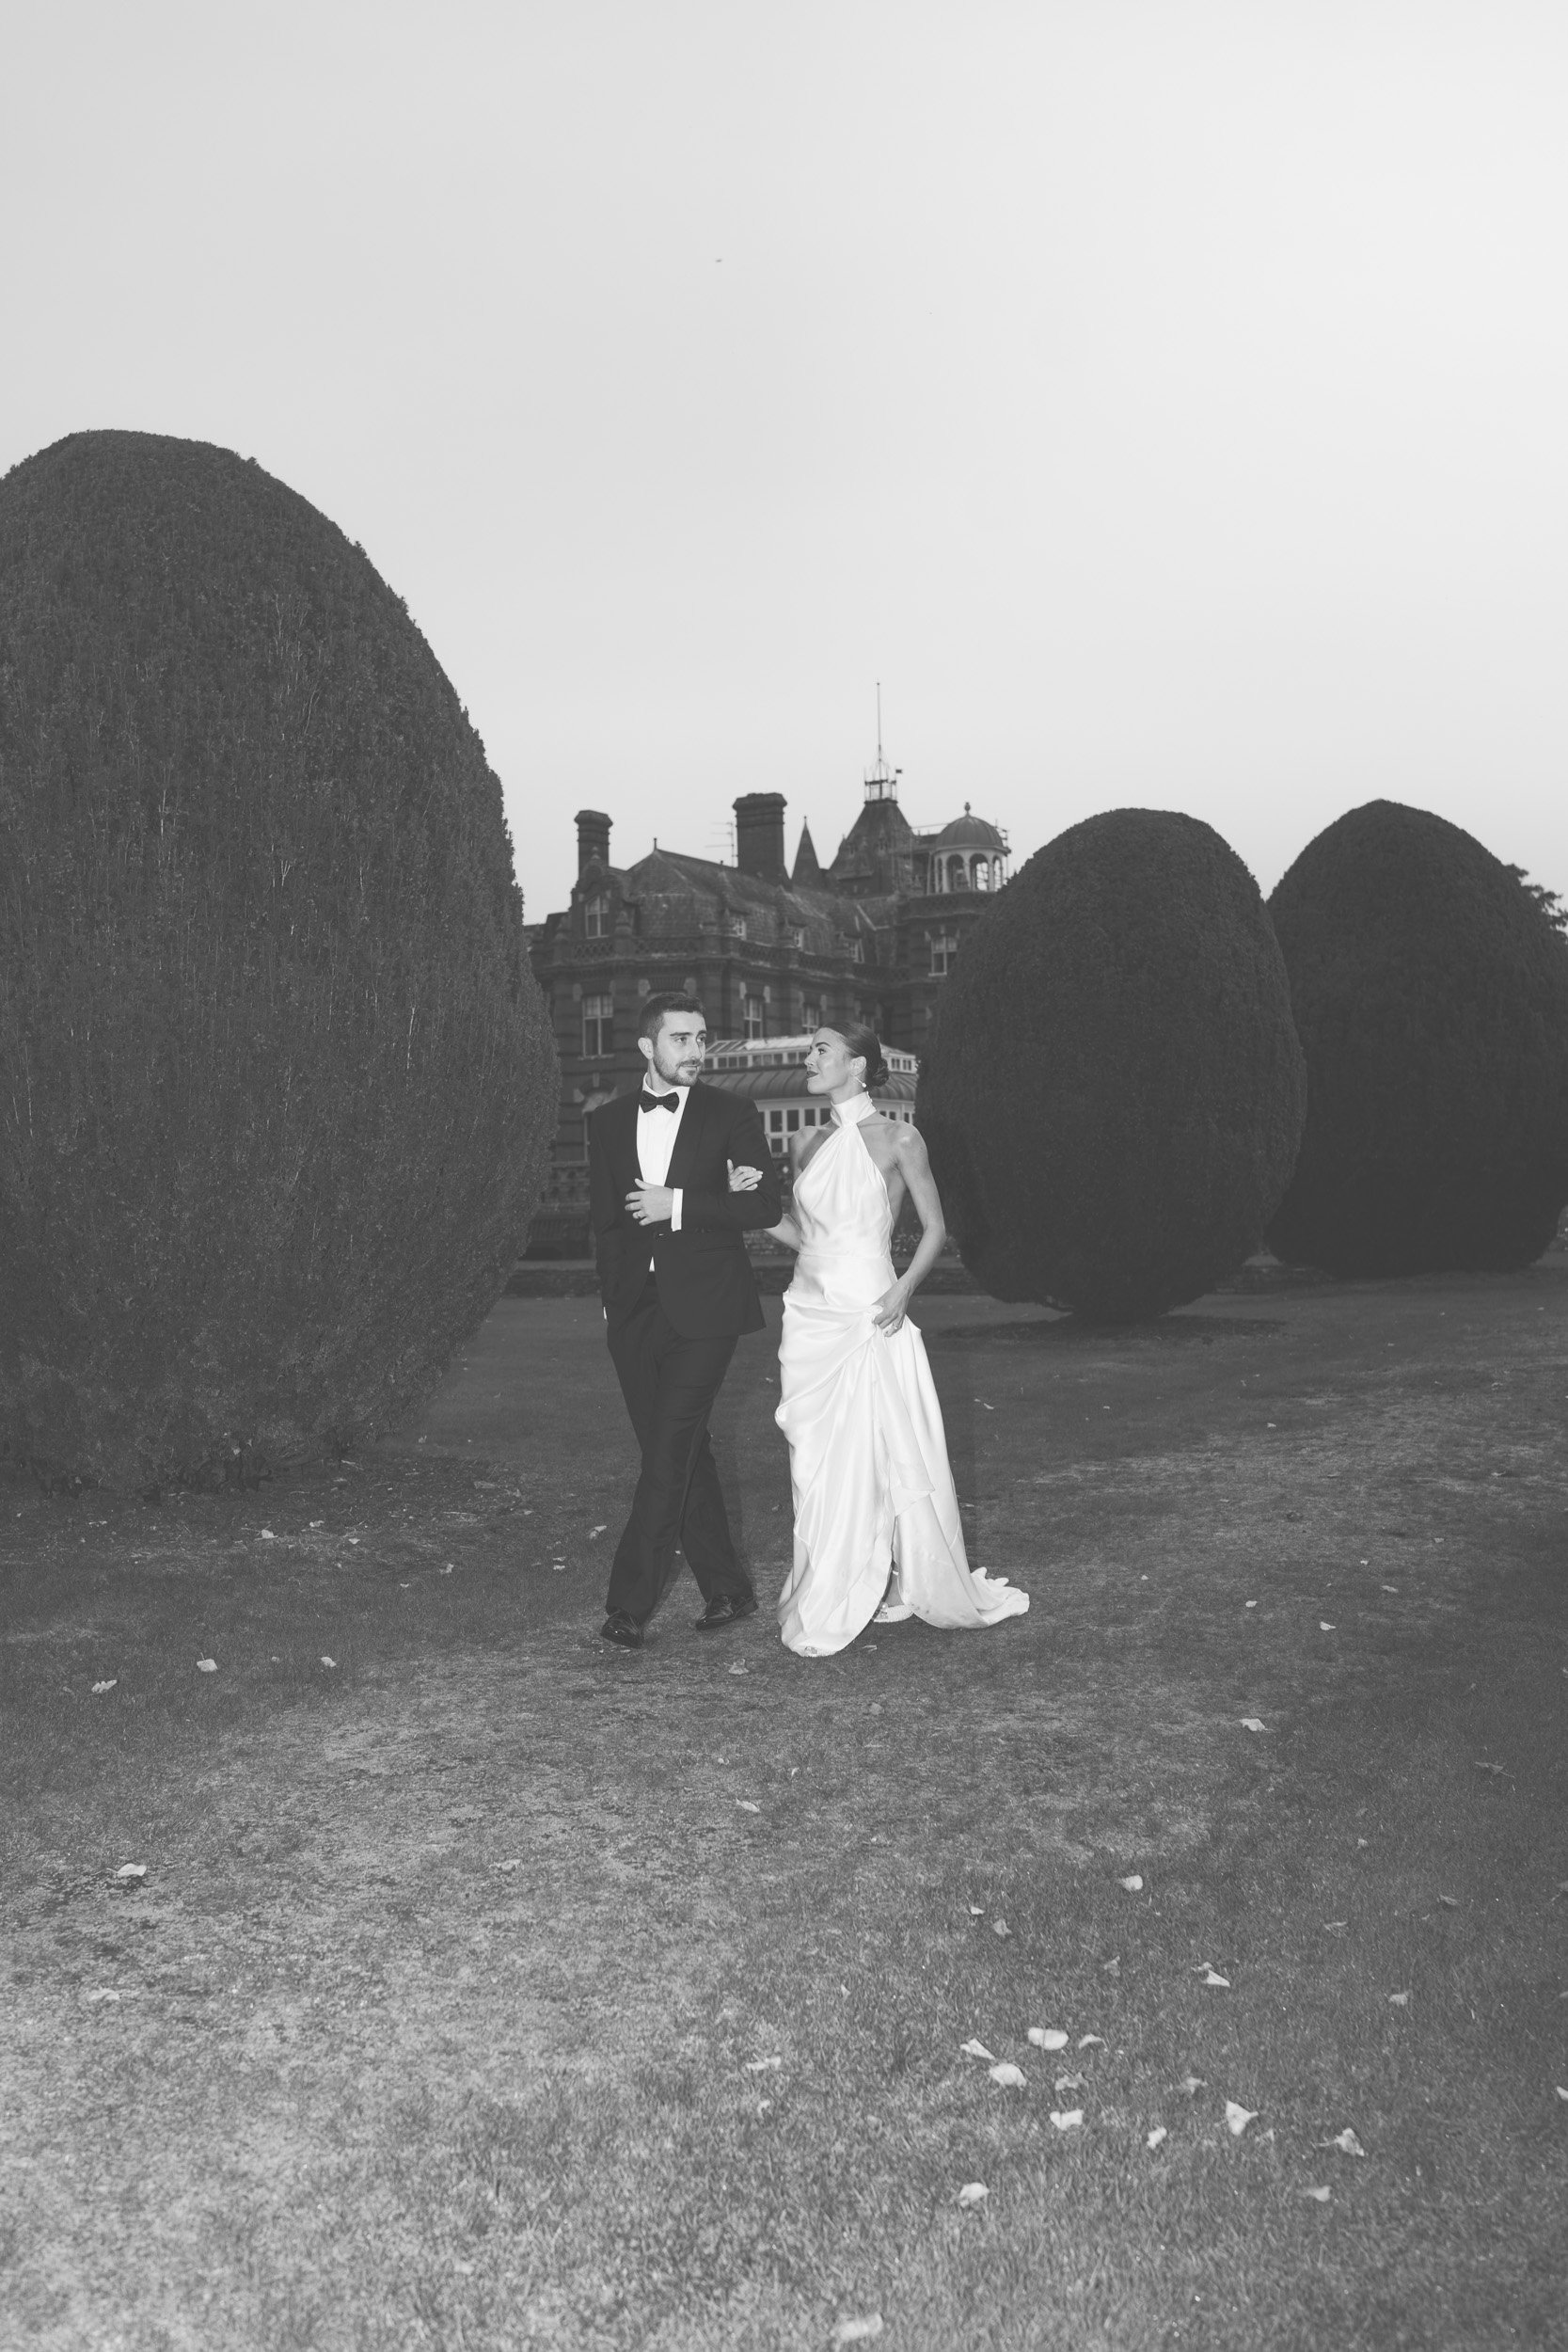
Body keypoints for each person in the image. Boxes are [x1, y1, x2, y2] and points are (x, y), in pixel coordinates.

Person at [740, 1023, 1028, 1658]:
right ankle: (834, 1578)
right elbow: (802, 1237)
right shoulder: (805, 1140)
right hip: (809, 1315)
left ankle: (896, 1579)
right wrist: (756, 1210)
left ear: (858, 1064)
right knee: (815, 1457)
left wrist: (902, 1292)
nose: (808, 1057)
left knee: (887, 1448)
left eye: (822, 1049)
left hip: (871, 1311)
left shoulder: (899, 1138)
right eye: (811, 1049)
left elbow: (933, 1228)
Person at [587, 993, 782, 1650]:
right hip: (633, 1314)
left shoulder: (732, 1113)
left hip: (707, 1308)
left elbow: (761, 1206)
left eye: (701, 1037)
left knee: (668, 1449)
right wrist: (611, 1295)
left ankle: (628, 1604)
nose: (696, 1050)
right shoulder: (608, 1123)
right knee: (679, 1450)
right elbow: (606, 1221)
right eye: (681, 1039)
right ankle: (728, 1588)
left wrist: (680, 1204)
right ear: (647, 1047)